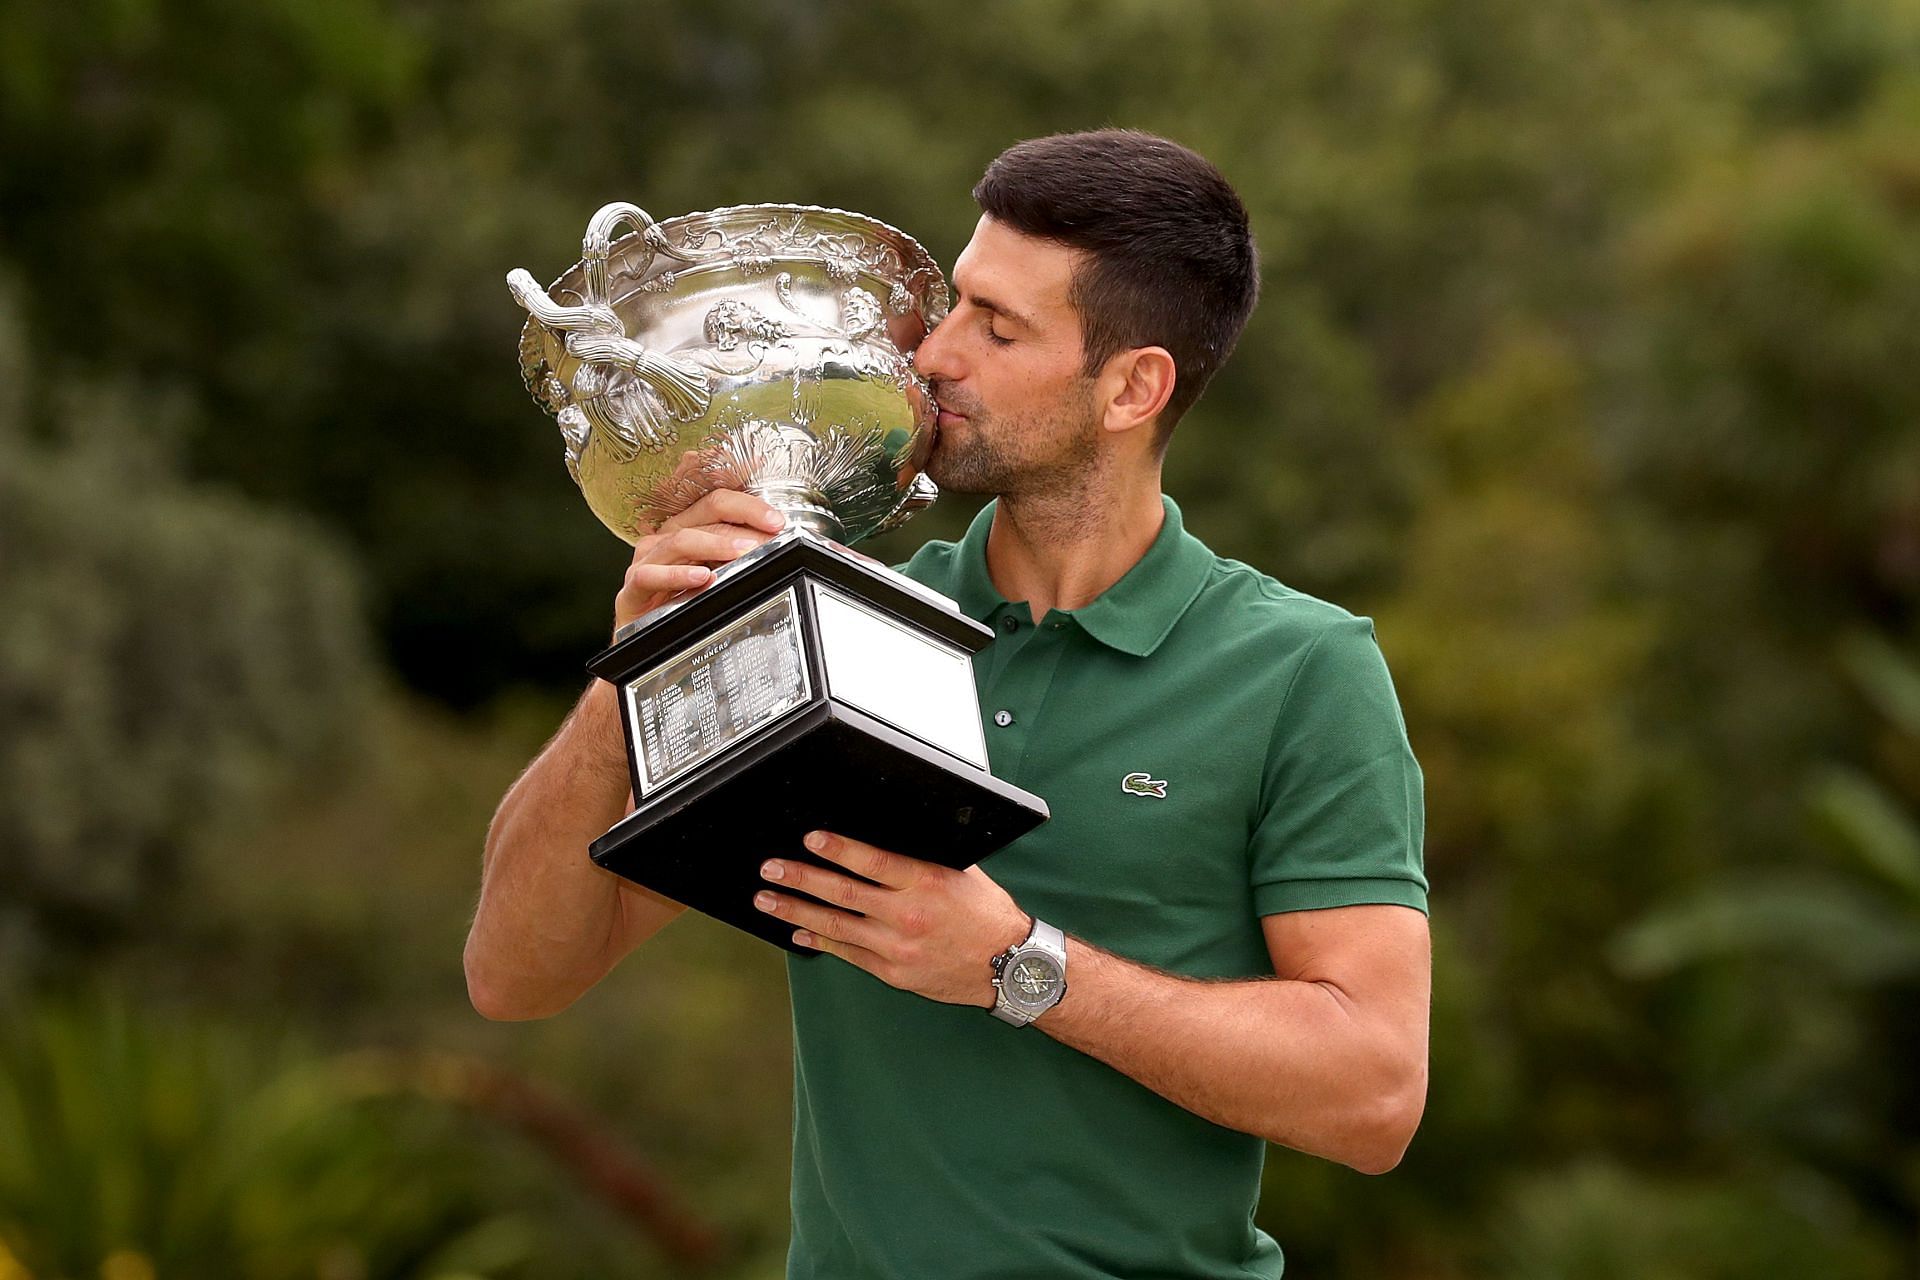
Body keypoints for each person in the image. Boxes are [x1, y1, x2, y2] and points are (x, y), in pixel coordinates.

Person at [465, 129, 1430, 1280]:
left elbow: (1373, 1093)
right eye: (953, 303)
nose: (932, 353)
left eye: (997, 325)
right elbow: (516, 975)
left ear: (1134, 386)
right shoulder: (829, 622)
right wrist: (637, 665)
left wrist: (1017, 963)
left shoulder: (1300, 670)